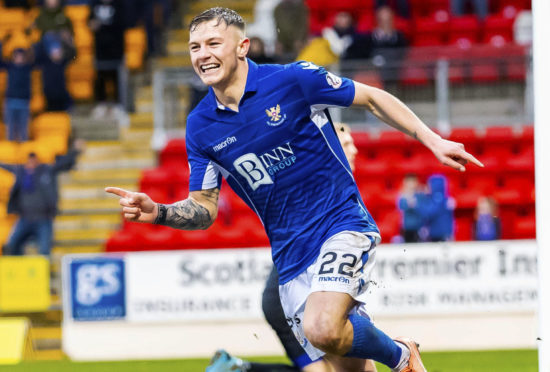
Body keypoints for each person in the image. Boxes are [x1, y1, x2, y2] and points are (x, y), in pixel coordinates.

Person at [105, 7, 482, 372]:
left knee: (322, 326)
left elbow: (370, 97)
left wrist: (432, 139)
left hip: (340, 224)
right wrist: (159, 212)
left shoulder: (292, 80)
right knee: (345, 361)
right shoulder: (200, 126)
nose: (203, 54)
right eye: (195, 47)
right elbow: (204, 208)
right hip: (289, 260)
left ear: (242, 46)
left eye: (213, 43)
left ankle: (402, 356)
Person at [206, 123, 378, 372]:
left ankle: (236, 368)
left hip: (295, 295)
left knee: (340, 368)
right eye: (347, 143)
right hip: (287, 299)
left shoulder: (336, 187)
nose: (355, 149)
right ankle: (240, 369)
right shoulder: (321, 190)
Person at [1, 139, 85, 256]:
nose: (30, 163)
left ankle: (45, 272)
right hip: (25, 217)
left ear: (37, 161)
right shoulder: (21, 172)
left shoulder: (46, 170)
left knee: (44, 249)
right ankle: (18, 270)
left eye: (33, 161)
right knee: (13, 245)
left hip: (43, 218)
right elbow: (5, 166)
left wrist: (75, 151)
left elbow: (63, 164)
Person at [0, 41, 34, 142]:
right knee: (10, 129)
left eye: (21, 56)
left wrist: (30, 40)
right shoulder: (10, 67)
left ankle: (23, 150)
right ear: (13, 57)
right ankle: (11, 152)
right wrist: (2, 44)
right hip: (10, 101)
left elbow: (34, 56)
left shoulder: (27, 68)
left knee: (23, 129)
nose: (19, 58)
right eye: (17, 56)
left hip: (24, 102)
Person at [421, 174, 455, 242]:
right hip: (437, 232)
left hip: (441, 233)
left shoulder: (438, 198)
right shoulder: (440, 198)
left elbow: (429, 213)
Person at [397, 174, 424, 243]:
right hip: (407, 227)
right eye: (409, 182)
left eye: (413, 182)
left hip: (418, 227)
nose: (411, 184)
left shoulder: (420, 195)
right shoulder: (402, 196)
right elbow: (401, 207)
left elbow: (422, 208)